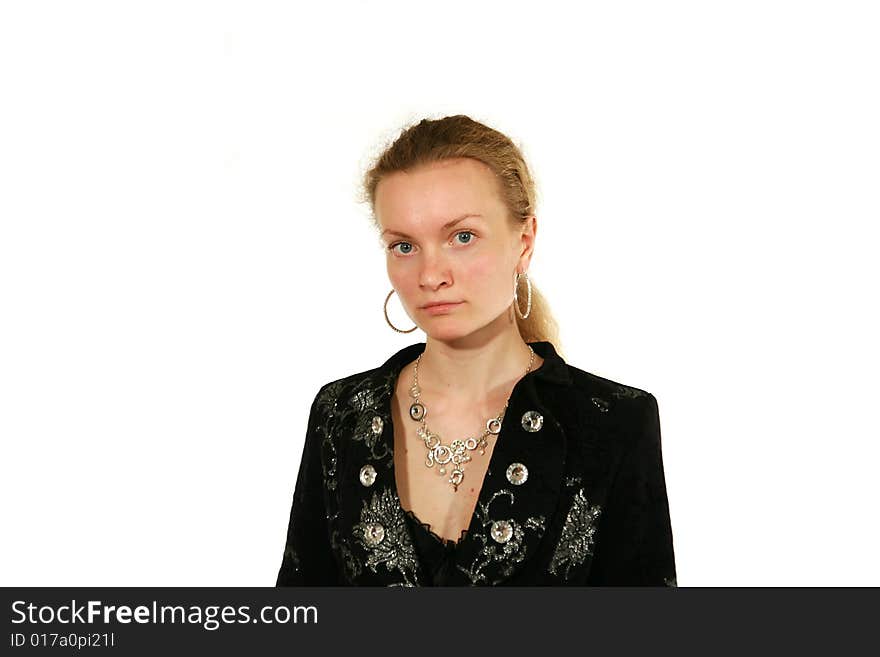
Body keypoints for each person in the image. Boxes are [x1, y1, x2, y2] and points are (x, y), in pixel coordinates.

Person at [276, 114, 676, 586]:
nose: (430, 275)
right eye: (404, 246)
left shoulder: (612, 423)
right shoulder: (341, 415)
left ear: (524, 241)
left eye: (462, 237)